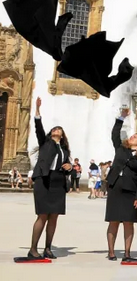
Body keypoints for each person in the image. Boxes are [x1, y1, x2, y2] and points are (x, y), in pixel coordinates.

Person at [28, 96, 72, 260]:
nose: (56, 130)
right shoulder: (45, 142)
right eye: (54, 128)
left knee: (54, 216)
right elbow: (38, 127)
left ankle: (48, 248)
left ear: (62, 135)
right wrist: (38, 110)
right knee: (42, 215)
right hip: (44, 180)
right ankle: (33, 249)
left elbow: (66, 166)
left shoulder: (64, 150)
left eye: (59, 129)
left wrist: (69, 167)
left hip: (58, 182)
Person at [105, 108, 137, 261]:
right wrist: (121, 118)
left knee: (129, 222)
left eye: (135, 136)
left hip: (130, 190)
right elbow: (115, 134)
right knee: (114, 220)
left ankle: (127, 252)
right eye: (132, 135)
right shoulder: (121, 148)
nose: (132, 137)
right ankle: (111, 251)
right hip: (115, 186)